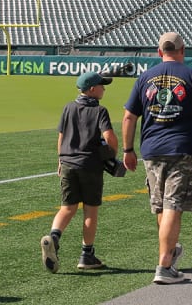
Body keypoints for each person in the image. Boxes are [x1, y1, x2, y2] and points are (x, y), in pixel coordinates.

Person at [122, 32, 192, 285]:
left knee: (161, 205)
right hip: (183, 148)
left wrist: (127, 150)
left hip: (152, 149)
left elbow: (128, 117)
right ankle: (165, 265)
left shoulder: (144, 78)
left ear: (159, 52)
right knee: (173, 206)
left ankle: (169, 252)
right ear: (182, 50)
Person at [41, 71, 117, 273]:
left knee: (67, 207)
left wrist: (60, 159)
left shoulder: (68, 107)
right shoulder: (100, 111)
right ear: (92, 89)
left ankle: (54, 238)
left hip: (67, 163)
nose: (104, 88)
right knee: (90, 210)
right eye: (101, 85)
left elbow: (61, 135)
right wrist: (111, 153)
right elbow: (109, 137)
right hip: (89, 165)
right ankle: (87, 254)